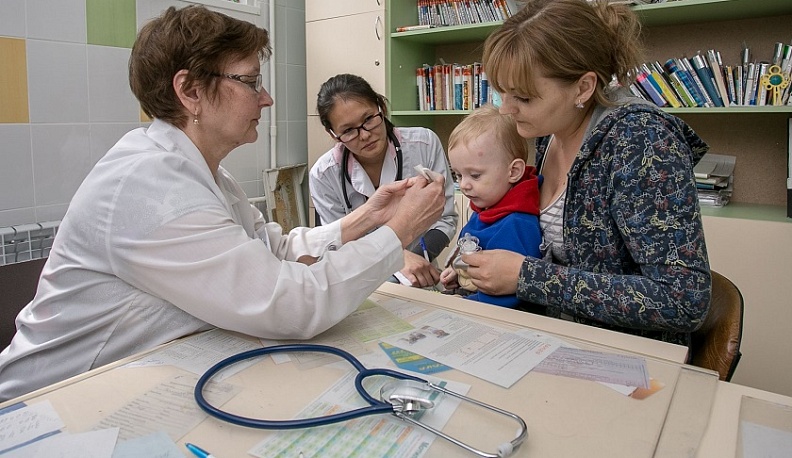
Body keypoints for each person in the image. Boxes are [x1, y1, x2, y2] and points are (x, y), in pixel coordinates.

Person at [0, 6, 446, 402]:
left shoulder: (206, 173)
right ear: (190, 91)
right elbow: (290, 304)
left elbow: (275, 250)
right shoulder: (150, 184)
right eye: (251, 82)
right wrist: (398, 231)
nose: (267, 98)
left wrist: (371, 215)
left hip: (125, 384)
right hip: (46, 404)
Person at [461, 0, 712, 346]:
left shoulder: (641, 142)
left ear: (582, 88)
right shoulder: (550, 131)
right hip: (553, 338)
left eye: (523, 97)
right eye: (502, 93)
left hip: (628, 355)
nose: (506, 108)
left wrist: (526, 276)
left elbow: (683, 300)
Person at [310, 74, 458, 288]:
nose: (364, 135)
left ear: (381, 108)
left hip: (419, 274)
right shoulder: (324, 175)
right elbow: (337, 244)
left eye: (369, 119)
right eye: (349, 131)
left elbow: (445, 218)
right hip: (357, 280)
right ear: (333, 134)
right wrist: (397, 260)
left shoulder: (423, 144)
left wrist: (417, 259)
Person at [439, 105, 541, 308]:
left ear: (513, 172)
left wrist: (468, 303)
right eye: (458, 175)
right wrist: (460, 273)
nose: (464, 184)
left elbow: (509, 293)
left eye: (475, 175)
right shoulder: (487, 206)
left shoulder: (517, 223)